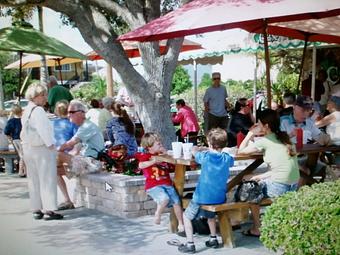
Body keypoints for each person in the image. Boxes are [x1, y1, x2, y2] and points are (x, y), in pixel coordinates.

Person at [238, 109, 299, 237]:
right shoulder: (285, 138)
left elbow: (241, 151)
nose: (257, 126)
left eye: (259, 124)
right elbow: (280, 169)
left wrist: (250, 133)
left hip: (280, 186)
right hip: (294, 185)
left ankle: (256, 228)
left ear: (266, 126)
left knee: (250, 190)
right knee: (251, 178)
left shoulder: (264, 141)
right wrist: (257, 176)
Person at [178, 128, 234, 253]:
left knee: (186, 217)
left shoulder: (205, 156)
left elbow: (194, 153)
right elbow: (231, 161)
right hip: (219, 197)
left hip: (201, 197)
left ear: (209, 143)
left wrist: (195, 148)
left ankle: (190, 244)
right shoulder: (226, 158)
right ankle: (213, 239)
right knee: (210, 216)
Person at [20, 82, 63, 220]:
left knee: (34, 179)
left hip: (29, 149)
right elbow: (43, 130)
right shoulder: (38, 111)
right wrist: (51, 146)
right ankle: (49, 210)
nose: (46, 98)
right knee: (47, 178)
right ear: (36, 96)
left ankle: (36, 208)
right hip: (41, 149)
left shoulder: (26, 110)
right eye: (43, 95)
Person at [57, 100, 104, 210]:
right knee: (54, 171)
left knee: (57, 154)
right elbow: (75, 150)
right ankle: (67, 201)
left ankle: (66, 201)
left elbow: (69, 144)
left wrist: (54, 150)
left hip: (93, 163)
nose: (68, 115)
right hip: (86, 162)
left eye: (71, 112)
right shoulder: (83, 127)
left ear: (81, 113)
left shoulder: (87, 126)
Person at [136, 132, 185, 234]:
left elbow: (173, 165)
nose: (160, 144)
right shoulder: (146, 155)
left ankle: (180, 223)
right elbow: (141, 165)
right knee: (165, 198)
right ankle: (157, 214)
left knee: (177, 202)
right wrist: (153, 162)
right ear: (149, 147)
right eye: (157, 144)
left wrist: (166, 154)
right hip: (154, 185)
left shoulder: (163, 156)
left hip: (167, 184)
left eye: (160, 143)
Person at [280, 95, 331, 186]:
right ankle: (301, 190)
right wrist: (290, 135)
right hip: (285, 160)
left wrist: (328, 138)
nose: (306, 114)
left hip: (303, 157)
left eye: (309, 110)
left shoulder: (309, 122)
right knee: (304, 171)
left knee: (322, 168)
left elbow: (321, 138)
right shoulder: (283, 122)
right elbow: (276, 143)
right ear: (294, 107)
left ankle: (304, 189)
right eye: (303, 110)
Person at [52, 100, 79, 210]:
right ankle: (70, 198)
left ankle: (67, 199)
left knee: (55, 172)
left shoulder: (52, 123)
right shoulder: (72, 123)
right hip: (69, 154)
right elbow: (77, 139)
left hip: (57, 154)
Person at [315, 96, 340, 164]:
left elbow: (316, 125)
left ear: (332, 104)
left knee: (318, 131)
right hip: (336, 143)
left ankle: (326, 157)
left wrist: (315, 117)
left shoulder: (333, 115)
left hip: (335, 143)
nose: (327, 106)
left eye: (328, 103)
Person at [4, 104, 25, 177]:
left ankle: (23, 170)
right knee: (23, 155)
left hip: (15, 139)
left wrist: (10, 138)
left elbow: (6, 131)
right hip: (22, 139)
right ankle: (21, 171)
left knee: (21, 155)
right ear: (21, 111)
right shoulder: (23, 120)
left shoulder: (11, 121)